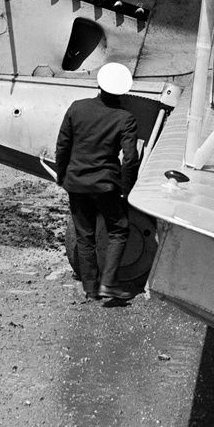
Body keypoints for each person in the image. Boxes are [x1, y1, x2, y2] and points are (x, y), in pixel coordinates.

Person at [55, 62, 140, 304]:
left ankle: (91, 288)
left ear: (99, 85)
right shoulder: (126, 118)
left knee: (85, 236)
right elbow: (130, 158)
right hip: (105, 185)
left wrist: (63, 176)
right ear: (123, 91)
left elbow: (63, 146)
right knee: (119, 230)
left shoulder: (77, 108)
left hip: (76, 182)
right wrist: (127, 188)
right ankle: (109, 283)